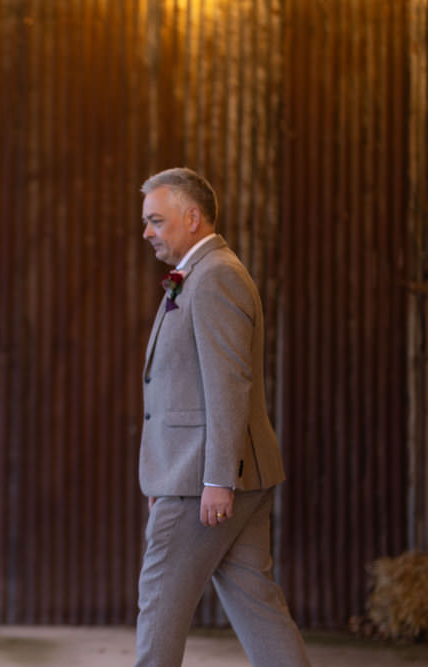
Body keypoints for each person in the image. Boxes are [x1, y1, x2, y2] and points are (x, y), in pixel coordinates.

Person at [135, 168, 309, 666]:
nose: (147, 232)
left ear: (191, 218)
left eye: (155, 221)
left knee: (160, 602)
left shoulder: (215, 277)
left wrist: (215, 480)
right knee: (257, 604)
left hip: (206, 479)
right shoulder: (205, 274)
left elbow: (228, 385)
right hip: (222, 474)